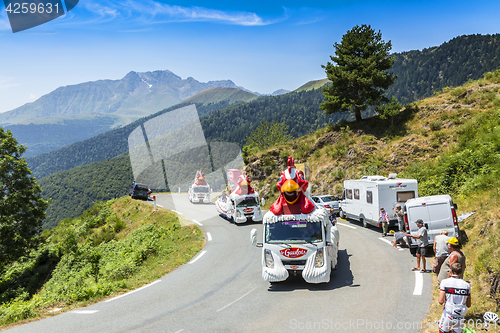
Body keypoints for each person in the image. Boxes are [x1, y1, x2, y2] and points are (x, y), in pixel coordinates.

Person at [438, 262, 471, 333]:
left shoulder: (444, 282)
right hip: (460, 315)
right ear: (461, 273)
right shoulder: (467, 285)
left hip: (448, 314)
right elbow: (468, 305)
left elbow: (440, 301)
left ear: (450, 271)